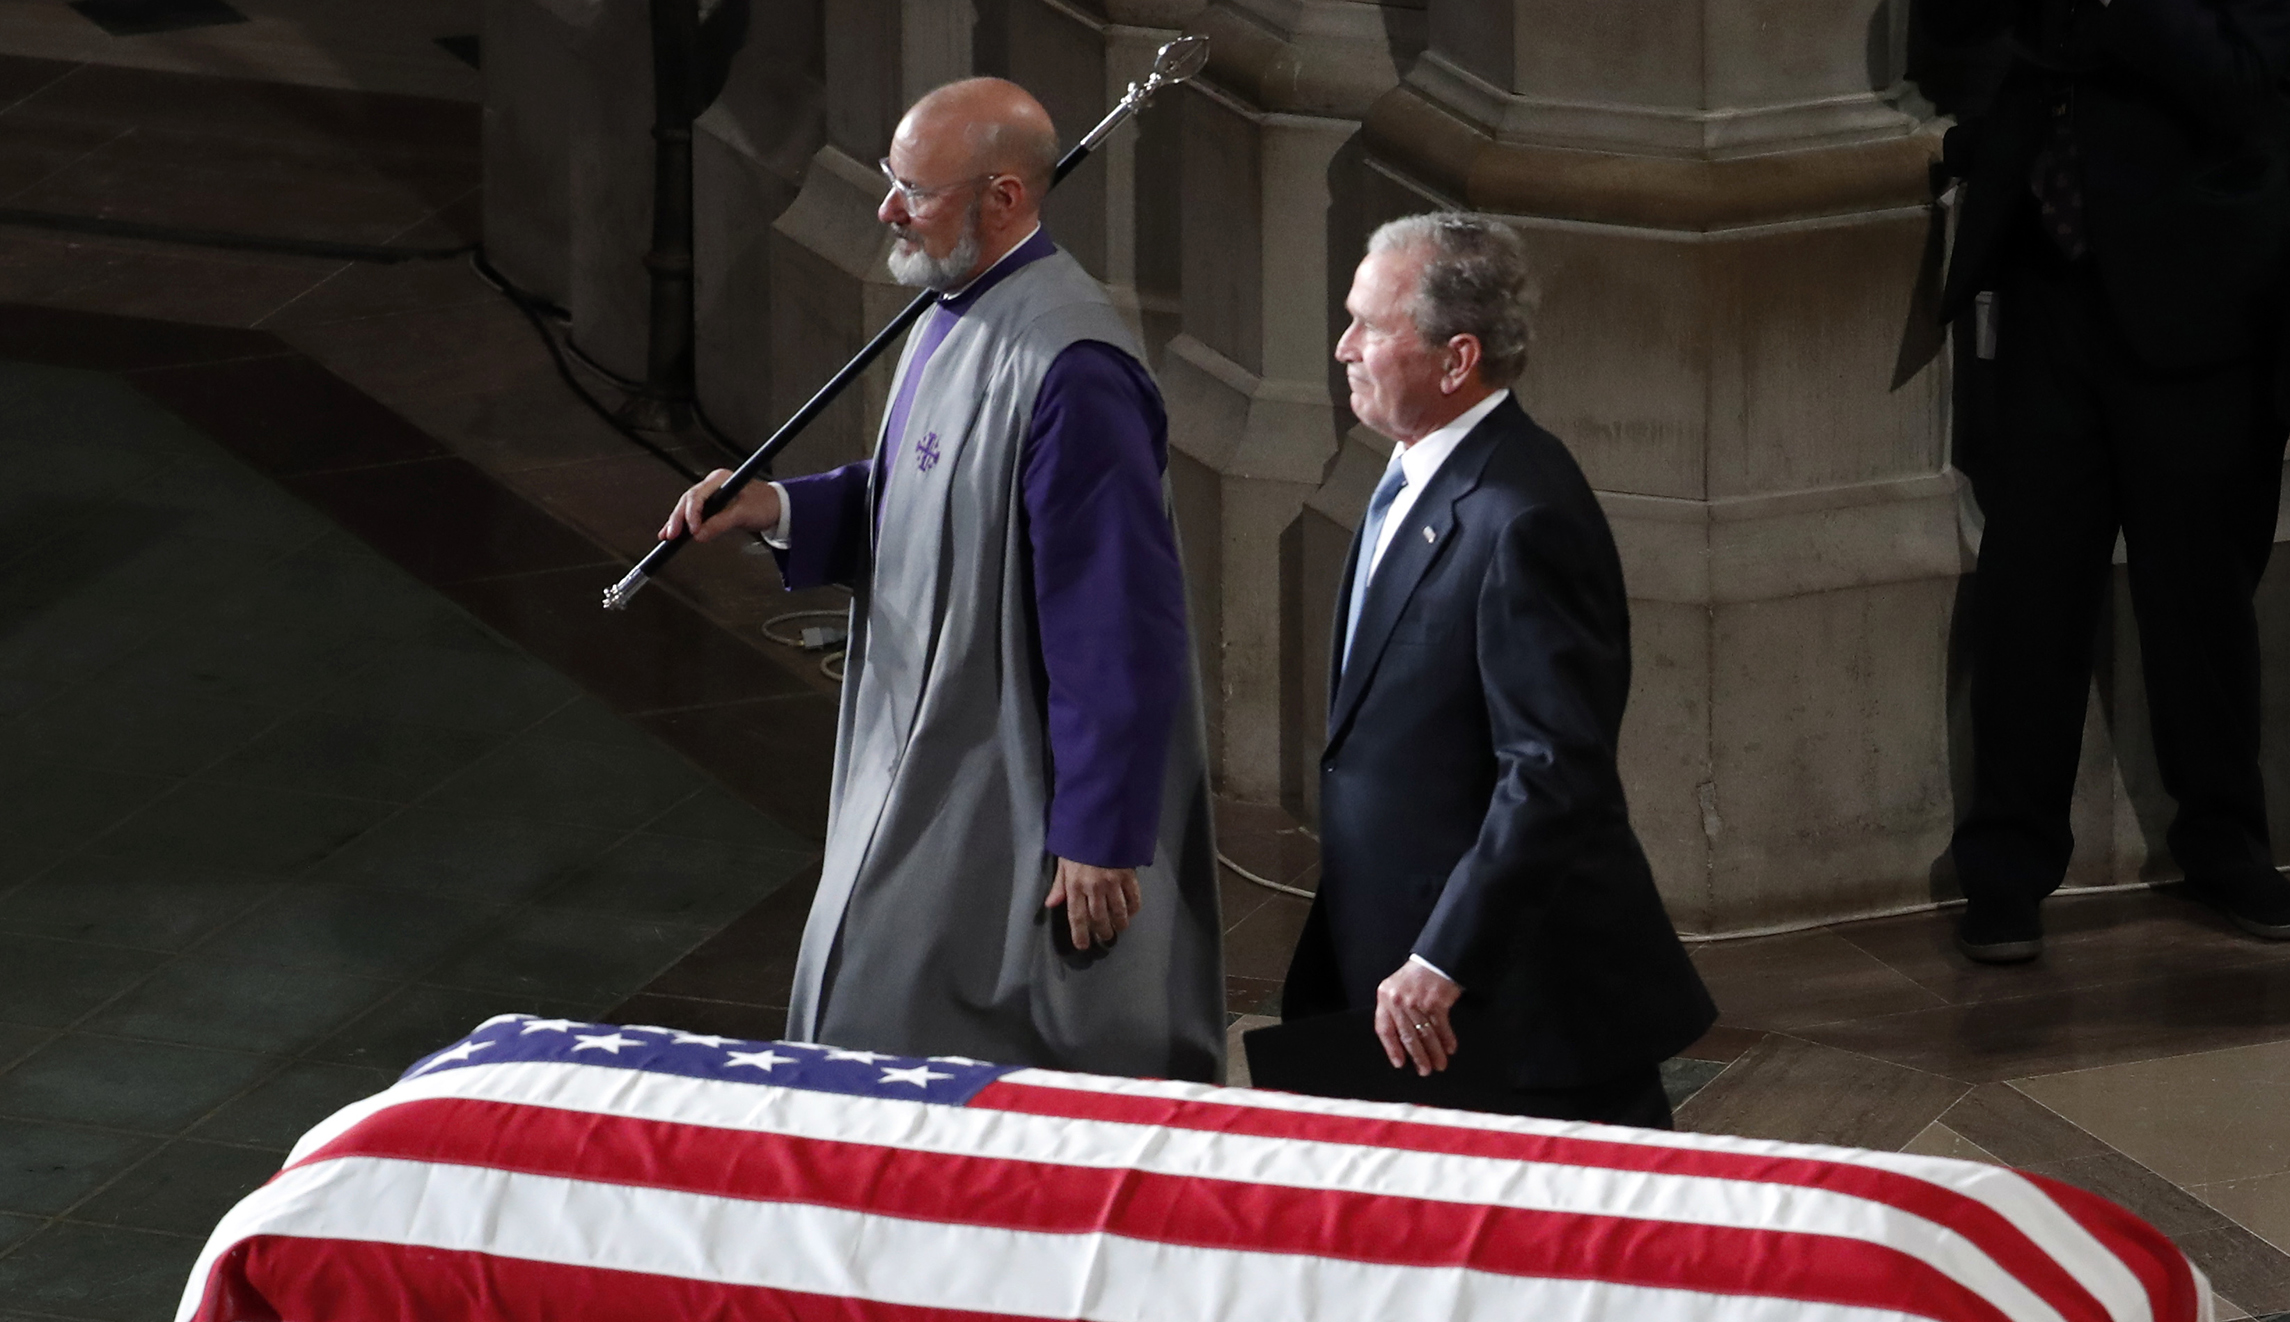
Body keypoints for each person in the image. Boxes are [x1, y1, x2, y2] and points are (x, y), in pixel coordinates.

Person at [661, 78, 1223, 1080]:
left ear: (1002, 198)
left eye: (913, 190)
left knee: (926, 1022)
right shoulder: (952, 310)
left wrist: (1096, 830)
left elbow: (1113, 618)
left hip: (997, 764)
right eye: (890, 180)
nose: (887, 209)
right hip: (917, 740)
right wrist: (784, 510)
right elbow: (927, 489)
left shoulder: (1074, 369)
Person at [1276, 214, 1716, 1128]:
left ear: (1455, 358)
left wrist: (1443, 960)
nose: (1343, 346)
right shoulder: (1414, 472)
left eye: (1370, 325)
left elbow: (1554, 773)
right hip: (1402, 975)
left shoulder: (1522, 514)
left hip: (1509, 1002)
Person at [1929, 0, 2290, 961]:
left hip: (2197, 293)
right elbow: (1949, 37)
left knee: (2201, 592)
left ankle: (2223, 843)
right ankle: (2005, 870)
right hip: (2050, 283)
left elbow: (2248, 82)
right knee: (2030, 591)